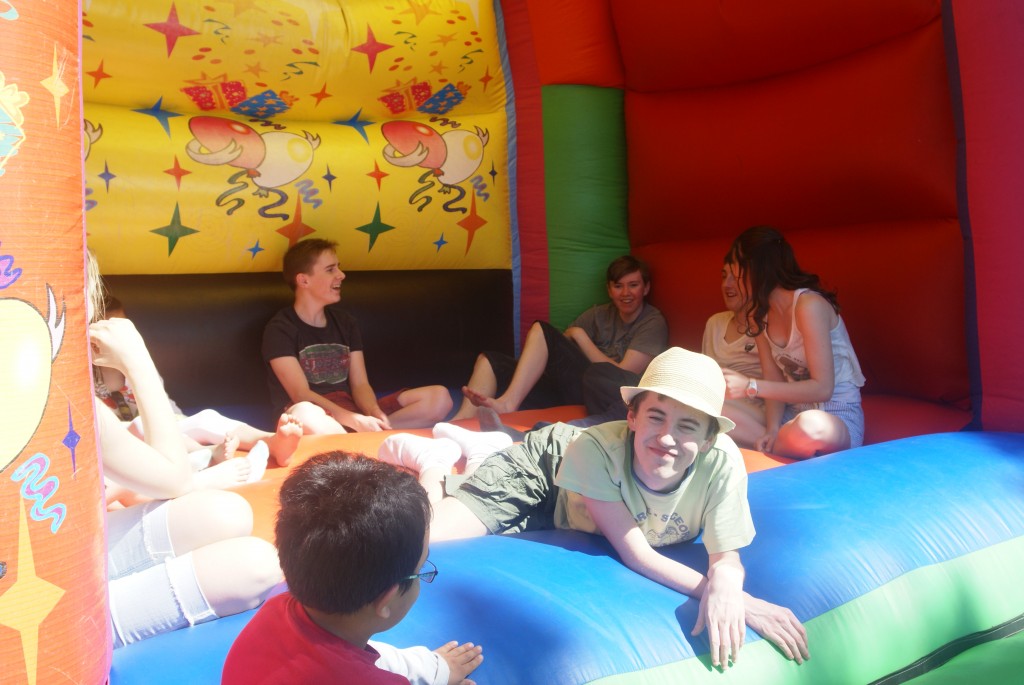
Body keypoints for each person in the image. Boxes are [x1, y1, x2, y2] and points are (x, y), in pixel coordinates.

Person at [417, 348, 809, 669]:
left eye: (688, 426)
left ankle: (481, 450)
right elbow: (637, 554)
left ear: (709, 439)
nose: (668, 438)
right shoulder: (595, 450)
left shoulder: (722, 463)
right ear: (632, 416)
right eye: (656, 416)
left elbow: (727, 558)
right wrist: (745, 602)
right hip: (547, 472)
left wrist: (729, 585)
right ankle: (433, 463)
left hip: (581, 514)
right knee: (430, 534)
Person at [87, 253, 282, 647]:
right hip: (37, 598)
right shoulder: (70, 399)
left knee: (225, 512)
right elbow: (170, 479)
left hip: (67, 545)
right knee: (256, 564)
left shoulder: (71, 398)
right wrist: (138, 361)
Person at [222, 452, 484, 685]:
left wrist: (432, 668)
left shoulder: (276, 607)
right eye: (422, 568)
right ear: (387, 599)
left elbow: (351, 658)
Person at [262, 239, 452, 434]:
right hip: (313, 416)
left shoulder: (345, 323)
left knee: (439, 397)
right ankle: (357, 441)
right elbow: (300, 394)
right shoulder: (280, 328)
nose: (341, 275)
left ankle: (368, 437)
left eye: (339, 268)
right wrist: (353, 420)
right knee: (304, 412)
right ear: (303, 280)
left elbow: (360, 384)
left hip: (352, 411)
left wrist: (372, 412)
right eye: (330, 270)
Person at [451, 255, 668, 421]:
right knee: (490, 361)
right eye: (618, 286)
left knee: (541, 330)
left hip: (602, 395)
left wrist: (581, 337)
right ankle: (460, 423)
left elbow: (622, 374)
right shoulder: (599, 314)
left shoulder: (652, 322)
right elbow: (560, 345)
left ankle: (508, 403)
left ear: (646, 288)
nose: (625, 293)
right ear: (609, 290)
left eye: (633, 285)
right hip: (565, 389)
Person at [718, 226, 865, 459]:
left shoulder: (808, 305)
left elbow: (822, 388)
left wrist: (749, 386)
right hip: (790, 416)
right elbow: (773, 378)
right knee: (712, 409)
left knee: (809, 425)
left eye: (735, 267)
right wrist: (772, 428)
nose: (731, 280)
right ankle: (782, 444)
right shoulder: (758, 315)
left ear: (754, 268)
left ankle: (784, 446)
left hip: (834, 416)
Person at [702, 260, 765, 448]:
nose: (726, 285)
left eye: (736, 278)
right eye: (724, 276)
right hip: (715, 399)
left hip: (756, 409)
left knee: (698, 406)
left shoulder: (767, 325)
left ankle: (768, 441)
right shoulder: (715, 323)